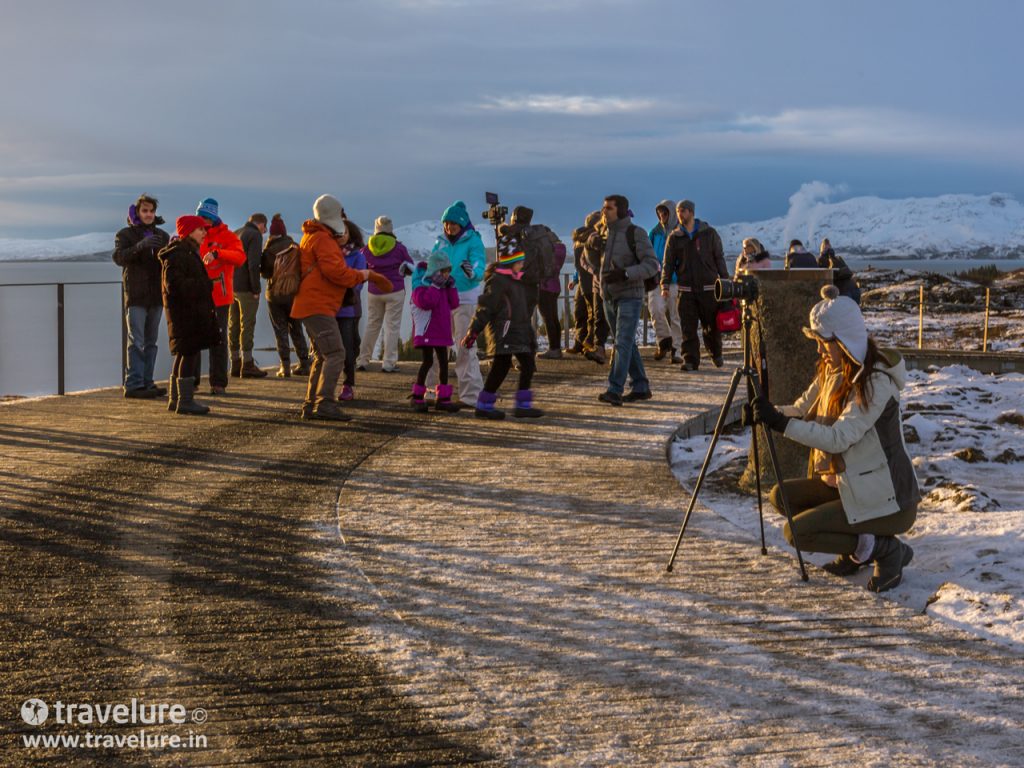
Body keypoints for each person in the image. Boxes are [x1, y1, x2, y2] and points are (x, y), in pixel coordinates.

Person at [752, 285, 921, 592]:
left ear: (845, 341)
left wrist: (779, 424)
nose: (819, 350)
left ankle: (886, 551)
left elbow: (840, 437)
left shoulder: (875, 381)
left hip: (889, 499)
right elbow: (801, 410)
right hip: (848, 485)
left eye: (824, 343)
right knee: (781, 497)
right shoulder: (834, 371)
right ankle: (860, 547)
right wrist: (766, 411)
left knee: (796, 533)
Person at [291, 194, 388, 421]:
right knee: (336, 353)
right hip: (318, 305)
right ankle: (324, 403)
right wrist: (368, 274)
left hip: (310, 304)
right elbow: (337, 273)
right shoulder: (323, 239)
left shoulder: (312, 236)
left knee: (322, 356)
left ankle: (311, 403)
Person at [462, 224, 542, 419]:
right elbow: (485, 307)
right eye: (519, 261)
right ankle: (484, 405)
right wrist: (473, 331)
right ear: (510, 261)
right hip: (504, 331)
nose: (522, 264)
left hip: (518, 330)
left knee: (528, 364)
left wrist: (529, 333)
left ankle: (522, 405)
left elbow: (522, 310)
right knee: (501, 366)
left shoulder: (516, 280)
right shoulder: (498, 281)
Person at [595, 194, 661, 406]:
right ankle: (641, 386)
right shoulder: (603, 233)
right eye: (603, 208)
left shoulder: (636, 233)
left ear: (621, 211)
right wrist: (590, 244)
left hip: (630, 296)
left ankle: (614, 389)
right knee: (627, 343)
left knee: (621, 343)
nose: (604, 212)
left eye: (609, 208)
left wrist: (624, 273)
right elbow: (590, 261)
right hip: (608, 297)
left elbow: (652, 265)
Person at [158, 216, 221, 416]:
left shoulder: (185, 252)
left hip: (185, 312)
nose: (204, 233)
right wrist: (205, 285)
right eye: (200, 230)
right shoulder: (179, 255)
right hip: (186, 313)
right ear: (188, 232)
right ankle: (184, 401)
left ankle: (175, 399)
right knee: (189, 353)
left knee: (184, 353)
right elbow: (174, 285)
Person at [428, 201, 486, 407]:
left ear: (462, 224)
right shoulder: (441, 241)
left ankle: (471, 395)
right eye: (446, 223)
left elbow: (479, 263)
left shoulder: (473, 241)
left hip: (465, 299)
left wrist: (474, 273)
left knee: (465, 346)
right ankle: (430, 391)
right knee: (436, 345)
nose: (449, 227)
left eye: (453, 224)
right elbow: (433, 264)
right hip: (443, 299)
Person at [112, 194, 170, 398]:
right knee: (136, 341)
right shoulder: (125, 235)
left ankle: (147, 382)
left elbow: (167, 264)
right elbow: (119, 258)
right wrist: (140, 246)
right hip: (136, 295)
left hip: (156, 296)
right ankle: (134, 384)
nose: (148, 214)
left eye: (151, 211)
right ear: (137, 213)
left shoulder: (162, 236)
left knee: (151, 342)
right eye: (144, 211)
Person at [661, 199, 729, 371]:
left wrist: (726, 280)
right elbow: (668, 263)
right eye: (678, 211)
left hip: (709, 288)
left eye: (683, 211)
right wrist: (665, 284)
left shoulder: (709, 233)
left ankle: (716, 353)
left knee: (711, 325)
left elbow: (719, 258)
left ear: (691, 212)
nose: (680, 214)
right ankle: (690, 360)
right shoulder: (675, 237)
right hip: (686, 289)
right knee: (688, 327)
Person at [195, 198, 246, 394]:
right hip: (197, 295)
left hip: (220, 296)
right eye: (200, 217)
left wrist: (218, 254)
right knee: (195, 339)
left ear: (213, 217)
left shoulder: (228, 236)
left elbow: (240, 257)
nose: (203, 221)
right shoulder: (195, 234)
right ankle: (192, 382)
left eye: (206, 217)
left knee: (219, 340)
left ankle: (218, 383)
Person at [356, 216, 414, 373]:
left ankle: (362, 360)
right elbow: (410, 267)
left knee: (372, 324)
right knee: (392, 327)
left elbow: (361, 266)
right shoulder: (399, 248)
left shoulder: (367, 248)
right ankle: (388, 363)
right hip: (395, 291)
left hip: (374, 291)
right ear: (390, 229)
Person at [409, 251, 460, 413]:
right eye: (443, 272)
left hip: (442, 331)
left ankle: (443, 399)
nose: (446, 275)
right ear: (435, 271)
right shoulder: (421, 286)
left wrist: (451, 287)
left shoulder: (444, 287)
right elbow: (426, 302)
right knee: (428, 362)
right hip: (428, 331)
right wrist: (435, 286)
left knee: (444, 363)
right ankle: (417, 396)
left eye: (448, 272)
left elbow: (454, 303)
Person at [260, 214, 311, 377]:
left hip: (274, 295)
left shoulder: (268, 250)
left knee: (280, 330)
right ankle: (304, 363)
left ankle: (285, 366)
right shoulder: (295, 247)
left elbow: (265, 273)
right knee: (296, 328)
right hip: (293, 294)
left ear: (272, 234)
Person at [230, 212, 269, 378]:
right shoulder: (254, 235)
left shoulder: (237, 232)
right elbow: (254, 264)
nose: (265, 231)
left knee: (233, 324)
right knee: (247, 324)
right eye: (265, 227)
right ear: (261, 224)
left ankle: (235, 363)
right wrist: (256, 289)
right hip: (246, 287)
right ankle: (247, 365)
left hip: (232, 286)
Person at [571, 210, 609, 364]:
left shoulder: (583, 239)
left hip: (589, 281)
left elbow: (581, 262)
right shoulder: (591, 238)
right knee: (592, 314)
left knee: (591, 314)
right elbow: (583, 262)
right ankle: (588, 343)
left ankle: (589, 343)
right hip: (591, 281)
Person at [335, 220, 367, 401]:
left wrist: (342, 289)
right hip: (329, 307)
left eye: (343, 233)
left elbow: (359, 281)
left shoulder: (357, 256)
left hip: (348, 308)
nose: (340, 236)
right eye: (337, 233)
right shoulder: (330, 253)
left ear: (350, 234)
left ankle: (348, 385)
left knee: (349, 347)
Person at [647, 200, 683, 364]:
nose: (662, 216)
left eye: (665, 213)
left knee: (676, 316)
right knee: (655, 309)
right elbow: (647, 253)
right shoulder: (654, 233)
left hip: (676, 280)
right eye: (660, 213)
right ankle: (664, 341)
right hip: (657, 279)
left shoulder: (680, 232)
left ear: (671, 213)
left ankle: (677, 349)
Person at [818, 238, 862, 304]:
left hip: (845, 289)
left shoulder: (834, 259)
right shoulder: (836, 259)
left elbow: (846, 272)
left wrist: (828, 256)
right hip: (849, 288)